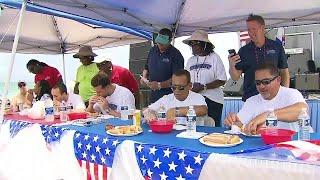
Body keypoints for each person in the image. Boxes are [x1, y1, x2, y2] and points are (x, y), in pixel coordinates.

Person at [224, 62, 308, 134]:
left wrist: (268, 115)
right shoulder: (251, 101)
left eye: (266, 82)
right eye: (258, 83)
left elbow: (302, 110)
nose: (261, 86)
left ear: (278, 80)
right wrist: (232, 122)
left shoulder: (291, 93)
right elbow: (240, 124)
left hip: (292, 142)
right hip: (264, 145)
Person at [228, 14, 290, 101]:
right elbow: (235, 77)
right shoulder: (244, 51)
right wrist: (231, 64)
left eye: (253, 29)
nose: (250, 33)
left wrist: (285, 93)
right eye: (249, 29)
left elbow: (284, 71)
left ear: (262, 28)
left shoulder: (276, 46)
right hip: (251, 98)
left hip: (274, 98)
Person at [184, 30, 227, 126]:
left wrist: (203, 87)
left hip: (213, 100)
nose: (192, 46)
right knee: (195, 126)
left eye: (195, 43)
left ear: (204, 44)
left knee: (212, 127)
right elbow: (185, 79)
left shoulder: (214, 58)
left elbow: (222, 80)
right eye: (191, 44)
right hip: (195, 99)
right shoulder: (191, 60)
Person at [143, 70, 211, 126]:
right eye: (174, 87)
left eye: (181, 87)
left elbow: (203, 110)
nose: (176, 90)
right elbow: (145, 109)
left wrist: (176, 111)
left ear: (190, 86)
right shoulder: (167, 98)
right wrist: (149, 113)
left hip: (193, 134)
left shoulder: (197, 97)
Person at [140, 28, 184, 103]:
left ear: (170, 41)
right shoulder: (152, 50)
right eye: (158, 42)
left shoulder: (176, 55)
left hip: (169, 97)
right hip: (153, 96)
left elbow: (177, 79)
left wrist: (159, 85)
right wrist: (144, 78)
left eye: (163, 43)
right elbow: (146, 68)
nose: (160, 45)